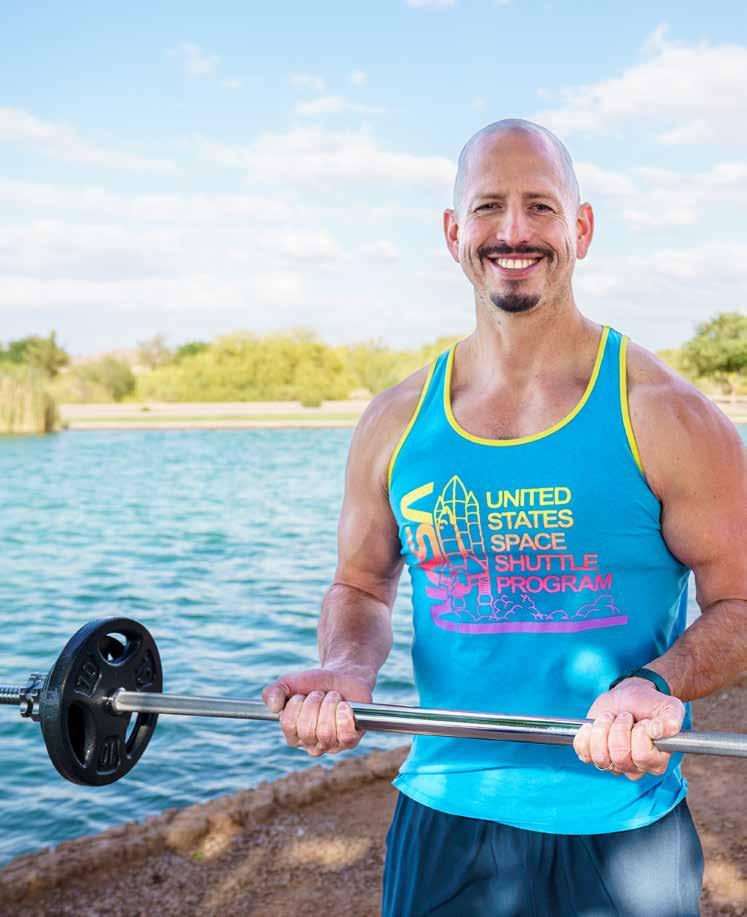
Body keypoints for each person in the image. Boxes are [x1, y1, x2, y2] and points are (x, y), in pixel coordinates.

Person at [262, 118, 746, 916]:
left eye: (540, 207)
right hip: (445, 815)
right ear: (452, 232)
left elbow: (737, 603)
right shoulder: (395, 420)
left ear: (580, 228)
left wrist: (656, 682)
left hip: (621, 826)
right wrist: (348, 668)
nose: (513, 231)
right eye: (488, 206)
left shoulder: (665, 413)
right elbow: (360, 585)